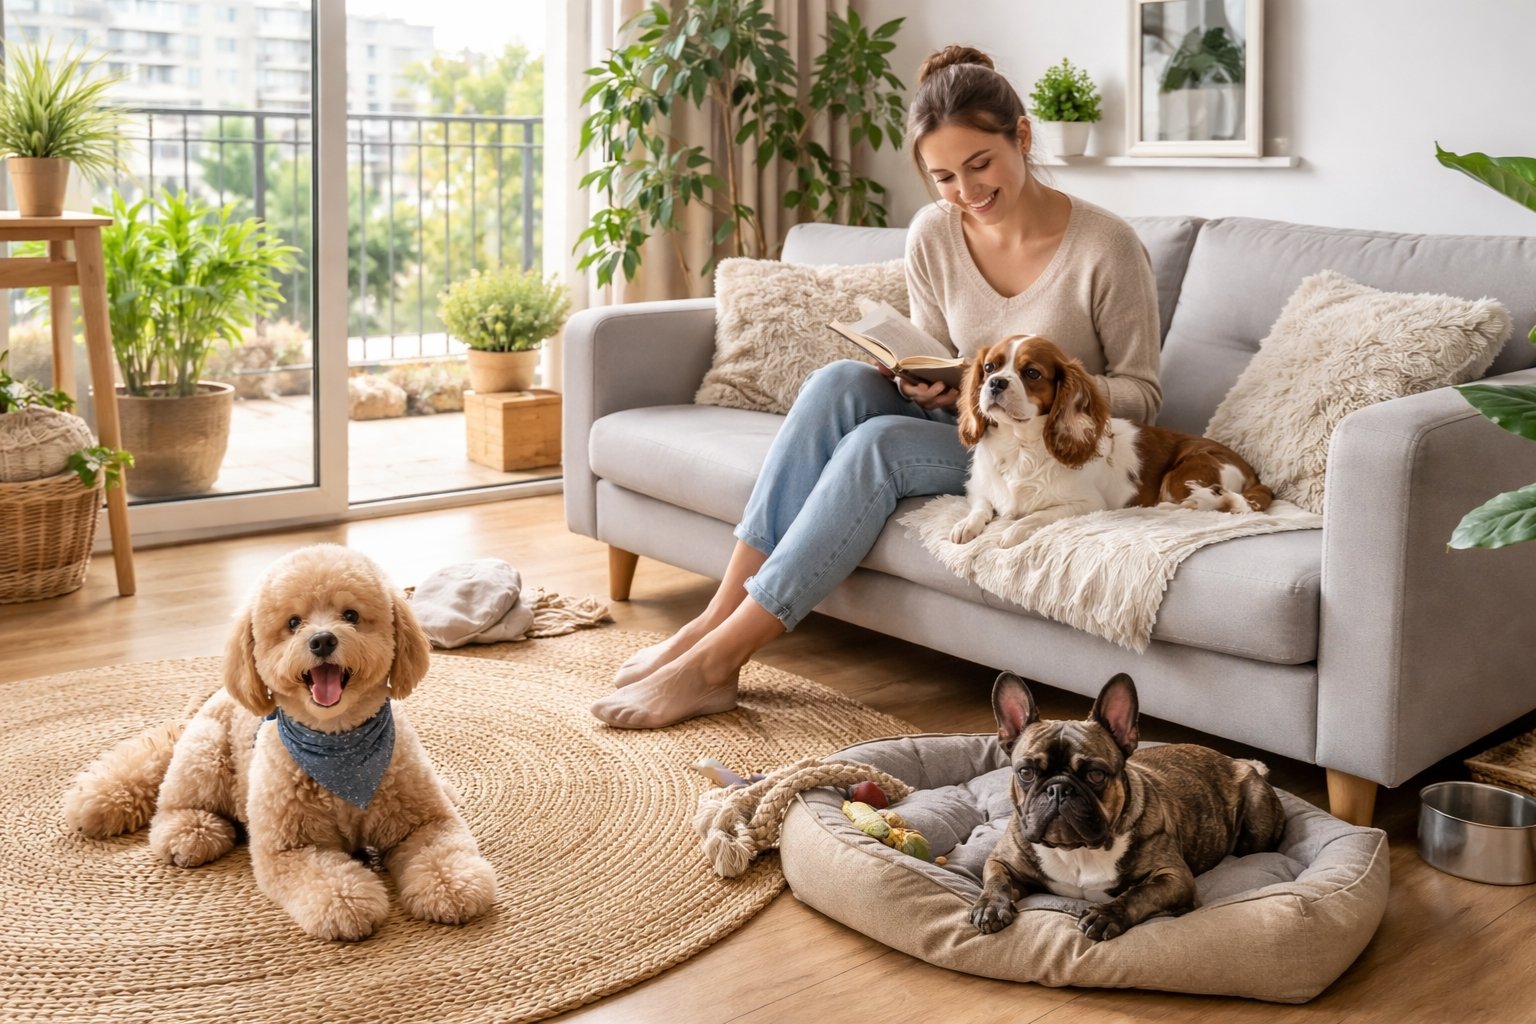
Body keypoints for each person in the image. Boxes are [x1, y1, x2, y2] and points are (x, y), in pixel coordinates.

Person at [591, 45, 1162, 729]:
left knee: (883, 444)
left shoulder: (1106, 245)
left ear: (1023, 137)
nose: (966, 192)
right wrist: (933, 380)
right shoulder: (934, 232)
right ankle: (714, 619)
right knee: (839, 383)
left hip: (1045, 454)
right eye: (944, 176)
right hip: (973, 427)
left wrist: (1049, 394)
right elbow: (932, 349)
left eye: (980, 165)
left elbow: (1144, 392)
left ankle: (718, 664)